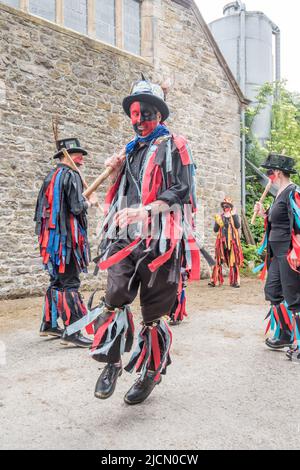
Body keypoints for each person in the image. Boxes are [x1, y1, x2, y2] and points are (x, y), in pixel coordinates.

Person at [66, 76, 201, 404]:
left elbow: (182, 190)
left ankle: (151, 372)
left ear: (159, 115)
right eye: (135, 115)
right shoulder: (130, 151)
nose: (138, 121)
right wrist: (114, 169)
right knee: (114, 296)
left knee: (153, 313)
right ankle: (111, 362)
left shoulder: (174, 146)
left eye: (146, 114)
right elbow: (124, 191)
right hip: (124, 238)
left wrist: (146, 211)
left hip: (159, 243)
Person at [34, 138, 98, 347]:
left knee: (57, 281)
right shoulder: (71, 175)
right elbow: (77, 207)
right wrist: (91, 202)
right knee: (70, 282)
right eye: (76, 153)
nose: (81, 157)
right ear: (65, 156)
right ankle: (72, 331)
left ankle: (50, 324)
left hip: (51, 243)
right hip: (66, 243)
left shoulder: (51, 176)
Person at [254, 153, 300, 362]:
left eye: (270, 172)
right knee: (273, 291)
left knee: (294, 298)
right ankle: (284, 335)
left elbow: (298, 224)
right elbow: (277, 221)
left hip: (289, 252)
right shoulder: (279, 193)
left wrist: (296, 252)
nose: (268, 175)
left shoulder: (294, 192)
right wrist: (264, 213)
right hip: (276, 252)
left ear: (278, 173)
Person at [209, 198, 243, 288]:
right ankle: (214, 281)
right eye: (224, 206)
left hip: (233, 242)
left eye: (227, 206)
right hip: (221, 242)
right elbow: (215, 230)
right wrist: (217, 222)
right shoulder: (220, 217)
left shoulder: (234, 216)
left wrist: (235, 215)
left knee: (234, 261)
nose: (225, 207)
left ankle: (235, 281)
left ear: (230, 207)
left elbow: (237, 226)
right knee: (218, 260)